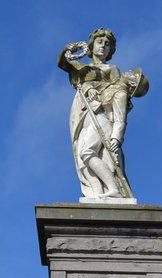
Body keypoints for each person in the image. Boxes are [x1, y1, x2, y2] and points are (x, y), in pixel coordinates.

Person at [58, 29, 149, 200]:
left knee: (93, 154)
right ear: (92, 45)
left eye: (107, 44)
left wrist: (116, 136)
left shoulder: (112, 70)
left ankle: (112, 188)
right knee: (83, 155)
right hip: (84, 113)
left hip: (101, 114)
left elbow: (113, 93)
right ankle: (99, 189)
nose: (103, 47)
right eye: (100, 42)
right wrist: (69, 50)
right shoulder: (83, 68)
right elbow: (64, 63)